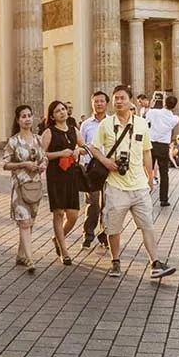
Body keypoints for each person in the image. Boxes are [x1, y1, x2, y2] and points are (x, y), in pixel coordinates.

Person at [89, 85, 176, 280]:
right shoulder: (106, 125)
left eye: (122, 98)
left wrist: (150, 176)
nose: (118, 101)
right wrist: (106, 161)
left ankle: (155, 263)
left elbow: (147, 151)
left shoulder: (142, 124)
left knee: (147, 225)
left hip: (139, 185)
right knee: (114, 228)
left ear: (130, 101)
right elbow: (94, 148)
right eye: (116, 98)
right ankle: (115, 261)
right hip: (116, 185)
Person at [4, 104, 45, 274]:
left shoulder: (38, 139)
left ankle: (21, 255)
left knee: (30, 222)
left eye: (29, 115)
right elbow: (6, 164)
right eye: (23, 116)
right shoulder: (13, 141)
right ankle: (30, 259)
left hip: (35, 186)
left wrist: (42, 165)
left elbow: (44, 158)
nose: (27, 119)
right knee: (25, 222)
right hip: (20, 187)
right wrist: (23, 164)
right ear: (18, 120)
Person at [42, 100, 83, 265]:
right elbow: (41, 154)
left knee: (73, 215)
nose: (62, 112)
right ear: (52, 115)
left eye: (63, 109)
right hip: (55, 175)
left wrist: (77, 151)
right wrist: (60, 153)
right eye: (58, 111)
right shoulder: (49, 132)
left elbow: (84, 147)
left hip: (71, 174)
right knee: (58, 213)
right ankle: (64, 251)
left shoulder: (74, 130)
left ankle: (57, 239)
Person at [79, 91, 109, 250]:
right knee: (93, 204)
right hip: (91, 168)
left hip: (108, 168)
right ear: (92, 104)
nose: (98, 104)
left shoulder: (112, 122)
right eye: (96, 101)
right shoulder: (86, 124)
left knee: (108, 203)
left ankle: (105, 235)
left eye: (101, 101)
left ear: (106, 103)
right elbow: (82, 144)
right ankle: (88, 234)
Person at [146, 93, 179, 207]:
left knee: (147, 171)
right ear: (174, 106)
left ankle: (144, 196)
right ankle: (164, 199)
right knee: (164, 174)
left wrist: (152, 104)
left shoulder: (154, 112)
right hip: (164, 146)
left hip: (151, 144)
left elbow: (147, 119)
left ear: (164, 103)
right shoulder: (175, 118)